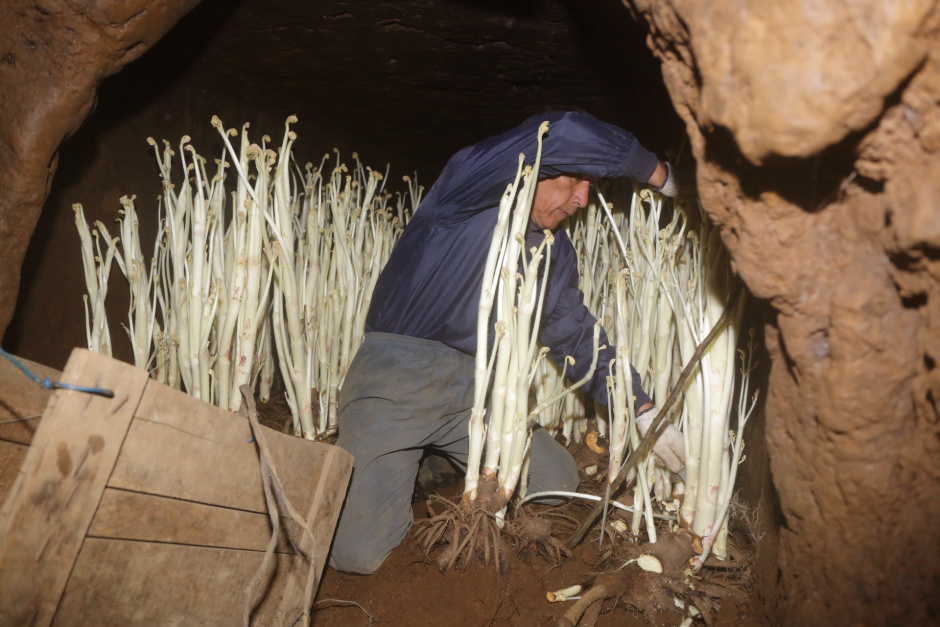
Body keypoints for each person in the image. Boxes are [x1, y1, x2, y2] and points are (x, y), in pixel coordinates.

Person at [330, 110, 685, 574]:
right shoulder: (468, 196)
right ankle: (394, 459)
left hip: (479, 394)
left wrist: (641, 409)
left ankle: (432, 463)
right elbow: (563, 133)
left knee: (555, 480)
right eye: (574, 181)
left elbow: (575, 334)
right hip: (401, 378)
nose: (581, 200)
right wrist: (661, 176)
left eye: (590, 191)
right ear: (533, 171)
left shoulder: (553, 252)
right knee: (359, 556)